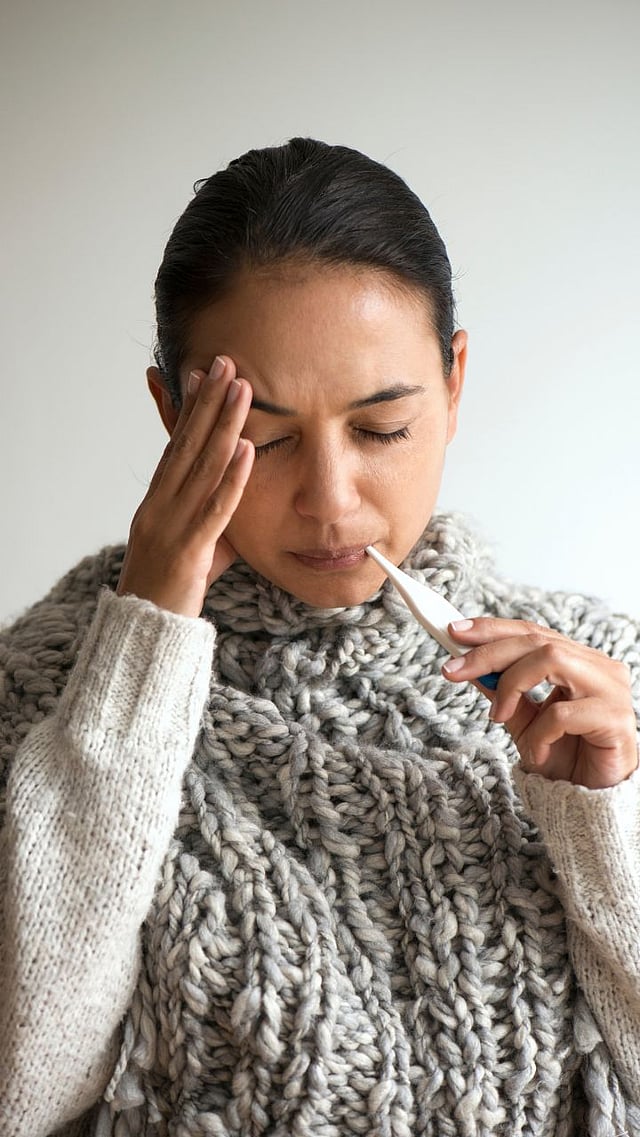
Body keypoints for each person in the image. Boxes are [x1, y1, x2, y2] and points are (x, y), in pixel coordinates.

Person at [0, 137, 638, 1137]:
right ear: (173, 414)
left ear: (454, 382)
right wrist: (139, 656)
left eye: (381, 429)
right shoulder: (44, 691)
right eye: (265, 439)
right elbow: (22, 1089)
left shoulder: (602, 685)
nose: (332, 502)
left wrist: (603, 827)